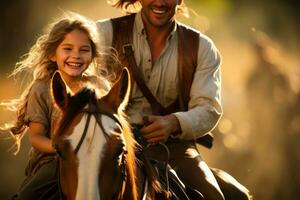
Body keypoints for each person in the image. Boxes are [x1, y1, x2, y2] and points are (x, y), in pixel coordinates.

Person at [96, 0, 225, 199]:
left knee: (213, 196)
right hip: (108, 145)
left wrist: (173, 123)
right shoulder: (102, 34)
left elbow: (208, 108)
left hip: (173, 148)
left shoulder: (202, 47)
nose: (160, 2)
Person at [1, 12, 110, 199]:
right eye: (67, 49)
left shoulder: (99, 86)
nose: (76, 56)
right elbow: (36, 137)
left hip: (97, 158)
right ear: (53, 54)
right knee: (29, 195)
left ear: (92, 55)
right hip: (55, 161)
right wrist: (64, 148)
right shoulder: (41, 88)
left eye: (84, 50)